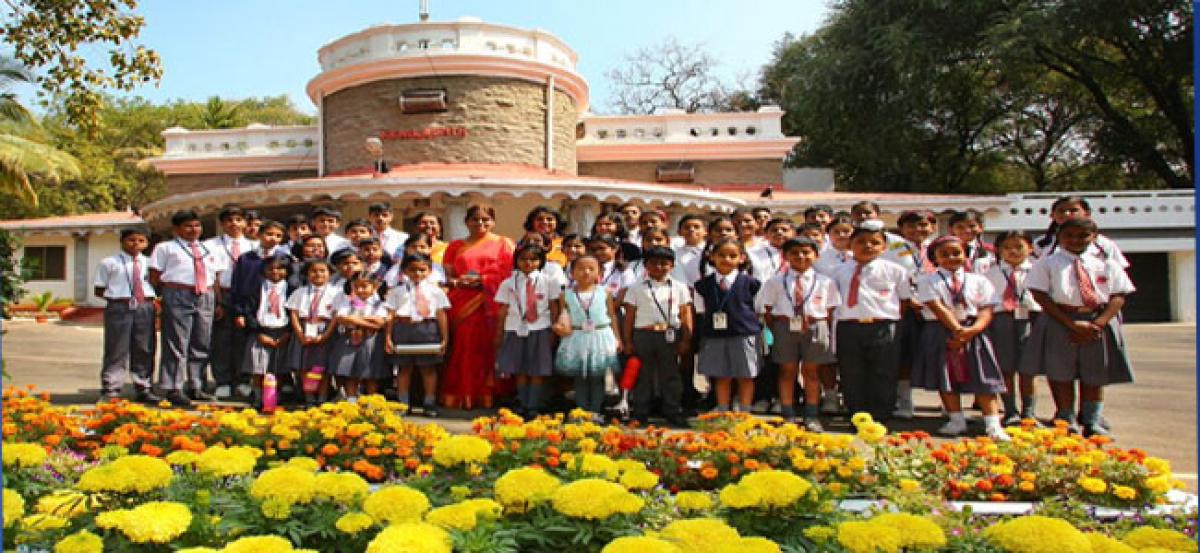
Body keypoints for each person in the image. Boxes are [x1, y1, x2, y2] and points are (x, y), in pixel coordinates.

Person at [1024, 218, 1134, 437]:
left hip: (1097, 321)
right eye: (1069, 236)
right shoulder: (1047, 263)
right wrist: (1070, 324)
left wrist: (1099, 323)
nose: (1075, 240)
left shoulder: (1107, 264)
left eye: (1082, 235)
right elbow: (1040, 295)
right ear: (1059, 237)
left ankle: (1092, 421)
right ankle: (1066, 420)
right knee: (1061, 373)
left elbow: (1119, 294)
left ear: (1094, 237)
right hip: (1060, 319)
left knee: (1095, 374)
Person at [911, 235, 1008, 440]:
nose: (951, 258)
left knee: (983, 377)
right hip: (941, 330)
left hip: (974, 329)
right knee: (946, 377)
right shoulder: (928, 280)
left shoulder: (979, 280)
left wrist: (972, 330)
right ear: (934, 258)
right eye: (944, 254)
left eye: (956, 253)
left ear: (966, 255)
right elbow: (937, 307)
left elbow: (987, 308)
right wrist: (957, 330)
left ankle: (993, 424)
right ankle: (956, 419)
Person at [756, 237, 840, 430]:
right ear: (785, 256)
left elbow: (830, 312)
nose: (800, 256)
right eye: (794, 253)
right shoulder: (776, 281)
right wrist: (778, 329)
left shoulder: (826, 282)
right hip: (785, 327)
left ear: (816, 255)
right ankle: (788, 413)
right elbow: (767, 310)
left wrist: (822, 331)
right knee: (787, 371)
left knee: (811, 372)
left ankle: (811, 415)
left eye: (806, 252)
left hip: (815, 326)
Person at [832, 221, 909, 421]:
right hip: (849, 326)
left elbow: (904, 300)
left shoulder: (895, 270)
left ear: (884, 247)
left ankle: (881, 415)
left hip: (883, 325)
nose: (868, 246)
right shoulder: (839, 271)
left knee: (884, 371)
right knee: (851, 372)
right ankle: (857, 414)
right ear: (850, 244)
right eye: (861, 242)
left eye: (874, 242)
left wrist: (893, 323)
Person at [149, 210, 227, 408]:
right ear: (176, 229)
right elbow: (155, 275)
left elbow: (215, 277)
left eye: (197, 225)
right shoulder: (166, 248)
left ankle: (196, 385)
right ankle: (171, 387)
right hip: (178, 293)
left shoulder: (208, 248)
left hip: (205, 295)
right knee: (176, 343)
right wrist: (162, 297)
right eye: (188, 226)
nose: (194, 230)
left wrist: (218, 301)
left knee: (201, 342)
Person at [442, 204, 515, 409]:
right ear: (466, 222)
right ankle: (463, 395)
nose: (480, 223)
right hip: (462, 302)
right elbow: (447, 276)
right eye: (475, 219)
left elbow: (510, 272)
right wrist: (458, 282)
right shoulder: (455, 246)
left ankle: (490, 395)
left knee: (489, 348)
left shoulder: (504, 243)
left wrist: (483, 280)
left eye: (485, 219)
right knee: (463, 347)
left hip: (491, 303)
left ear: (493, 222)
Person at [621, 246, 693, 427]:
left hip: (669, 334)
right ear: (646, 265)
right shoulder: (636, 288)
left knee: (670, 374)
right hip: (643, 333)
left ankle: (672, 410)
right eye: (654, 263)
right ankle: (640, 411)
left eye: (664, 263)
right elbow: (629, 316)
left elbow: (685, 314)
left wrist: (685, 339)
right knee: (643, 375)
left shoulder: (679, 287)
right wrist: (628, 340)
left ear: (672, 266)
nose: (659, 267)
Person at [693, 238, 761, 412]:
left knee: (745, 375)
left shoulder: (751, 283)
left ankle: (745, 412)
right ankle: (723, 409)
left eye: (733, 255)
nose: (727, 259)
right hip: (715, 335)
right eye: (721, 255)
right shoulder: (702, 285)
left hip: (743, 334)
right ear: (712, 257)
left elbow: (758, 308)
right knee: (721, 375)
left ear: (742, 258)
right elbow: (700, 310)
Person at [495, 243, 562, 417]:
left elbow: (554, 306)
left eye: (533, 259)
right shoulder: (508, 283)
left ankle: (533, 405)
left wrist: (554, 330)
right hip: (515, 327)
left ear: (541, 261)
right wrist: (499, 332)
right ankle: (522, 403)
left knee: (537, 369)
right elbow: (503, 309)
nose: (528, 263)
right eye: (523, 259)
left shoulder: (548, 281)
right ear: (516, 260)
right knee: (520, 368)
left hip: (540, 327)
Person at [94, 227, 160, 404]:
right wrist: (121, 299)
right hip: (119, 306)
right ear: (122, 241)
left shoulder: (150, 263)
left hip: (145, 306)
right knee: (117, 348)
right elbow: (99, 289)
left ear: (146, 243)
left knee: (144, 347)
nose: (136, 244)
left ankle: (143, 386)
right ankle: (112, 388)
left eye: (141, 240)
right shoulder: (109, 262)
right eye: (131, 240)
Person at [882, 210, 938, 419]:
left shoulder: (937, 248)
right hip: (906, 307)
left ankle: (949, 405)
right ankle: (904, 400)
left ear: (932, 227)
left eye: (923, 225)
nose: (918, 230)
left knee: (936, 354)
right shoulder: (893, 249)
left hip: (936, 308)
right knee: (905, 356)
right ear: (902, 229)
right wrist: (909, 301)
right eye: (911, 226)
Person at [554, 255, 622, 421]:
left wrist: (617, 337)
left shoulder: (605, 292)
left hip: (600, 335)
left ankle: (596, 411)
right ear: (572, 273)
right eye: (580, 268)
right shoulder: (565, 295)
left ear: (599, 272)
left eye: (591, 269)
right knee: (580, 377)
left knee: (597, 376)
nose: (586, 272)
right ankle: (581, 412)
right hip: (577, 337)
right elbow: (563, 315)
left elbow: (612, 315)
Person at [985, 230, 1042, 426]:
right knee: (1006, 368)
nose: (1013, 252)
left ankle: (1029, 412)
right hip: (1002, 319)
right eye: (1007, 248)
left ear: (1030, 248)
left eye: (1019, 247)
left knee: (1029, 369)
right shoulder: (990, 273)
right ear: (998, 250)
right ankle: (1010, 411)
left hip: (1030, 318)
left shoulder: (1038, 269)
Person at [229, 219, 289, 400]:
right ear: (259, 234)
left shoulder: (287, 259)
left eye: (278, 236)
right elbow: (237, 287)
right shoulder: (247, 258)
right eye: (269, 234)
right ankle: (251, 391)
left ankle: (276, 396)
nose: (273, 238)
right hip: (253, 314)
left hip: (280, 323)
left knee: (278, 362)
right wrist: (239, 312)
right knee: (253, 359)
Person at [385, 253, 450, 418]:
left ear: (429, 271)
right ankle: (403, 403)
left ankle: (429, 402)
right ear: (405, 271)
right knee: (404, 369)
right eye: (413, 270)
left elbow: (441, 314)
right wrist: (388, 337)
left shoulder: (436, 291)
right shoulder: (397, 291)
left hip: (427, 330)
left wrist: (444, 338)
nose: (418, 274)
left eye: (422, 270)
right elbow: (391, 315)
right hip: (403, 330)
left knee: (428, 368)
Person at [205, 205, 255, 401]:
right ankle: (223, 381)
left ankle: (242, 380)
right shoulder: (210, 245)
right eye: (229, 220)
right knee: (221, 339)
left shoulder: (253, 246)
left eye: (238, 219)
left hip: (245, 297)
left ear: (245, 223)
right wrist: (217, 301)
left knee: (244, 339)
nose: (234, 223)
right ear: (222, 223)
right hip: (222, 293)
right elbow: (212, 274)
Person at [236, 255, 292, 411]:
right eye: (270, 268)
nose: (275, 271)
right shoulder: (256, 288)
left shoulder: (292, 289)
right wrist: (257, 332)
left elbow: (296, 313)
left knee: (279, 368)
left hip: (283, 332)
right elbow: (249, 311)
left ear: (287, 271)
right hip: (260, 331)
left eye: (280, 268)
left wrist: (288, 333)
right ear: (263, 271)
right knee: (258, 368)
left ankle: (274, 398)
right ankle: (258, 397)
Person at [286, 259, 339, 406]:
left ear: (330, 274)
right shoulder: (299, 292)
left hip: (325, 329)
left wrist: (325, 335)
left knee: (322, 367)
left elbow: (336, 316)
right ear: (307, 274)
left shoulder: (336, 293)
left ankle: (322, 397)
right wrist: (300, 334)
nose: (318, 274)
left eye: (322, 271)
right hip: (304, 329)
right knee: (305, 366)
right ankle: (309, 397)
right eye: (314, 271)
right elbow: (294, 315)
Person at [330, 272, 389, 403]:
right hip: (350, 340)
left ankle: (371, 400)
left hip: (370, 341)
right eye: (357, 287)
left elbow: (380, 323)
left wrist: (356, 320)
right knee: (351, 370)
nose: (360, 290)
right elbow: (341, 318)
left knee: (371, 372)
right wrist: (368, 322)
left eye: (364, 286)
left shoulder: (379, 303)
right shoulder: (348, 302)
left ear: (374, 287)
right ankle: (351, 398)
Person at [1033, 196, 1129, 268]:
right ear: (1052, 215)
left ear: (1087, 213)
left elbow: (1118, 274)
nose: (1066, 214)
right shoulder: (1042, 243)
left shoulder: (1103, 244)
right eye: (1061, 211)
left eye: (1073, 210)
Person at [672, 214, 707, 286]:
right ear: (679, 232)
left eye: (696, 227)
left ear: (705, 231)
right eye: (687, 227)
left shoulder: (712, 252)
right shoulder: (675, 254)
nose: (691, 230)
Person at [587, 234, 626, 298]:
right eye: (593, 250)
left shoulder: (624, 270)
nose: (597, 252)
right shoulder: (587, 269)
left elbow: (624, 297)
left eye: (601, 248)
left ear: (614, 249)